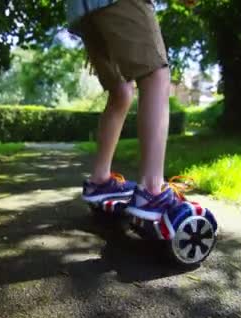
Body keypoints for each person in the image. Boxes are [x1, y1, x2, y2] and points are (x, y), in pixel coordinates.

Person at [70, 0, 180, 221]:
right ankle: (152, 191)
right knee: (155, 75)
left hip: (82, 10)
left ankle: (99, 180)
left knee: (121, 91)